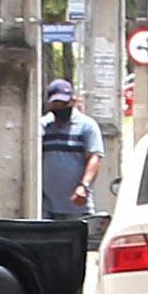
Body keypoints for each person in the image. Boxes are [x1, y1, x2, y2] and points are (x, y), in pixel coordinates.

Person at [41, 75, 103, 219]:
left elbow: (95, 157)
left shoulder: (87, 125)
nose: (60, 108)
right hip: (47, 208)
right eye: (56, 105)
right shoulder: (43, 126)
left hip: (78, 208)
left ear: (73, 101)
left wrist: (84, 186)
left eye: (64, 104)